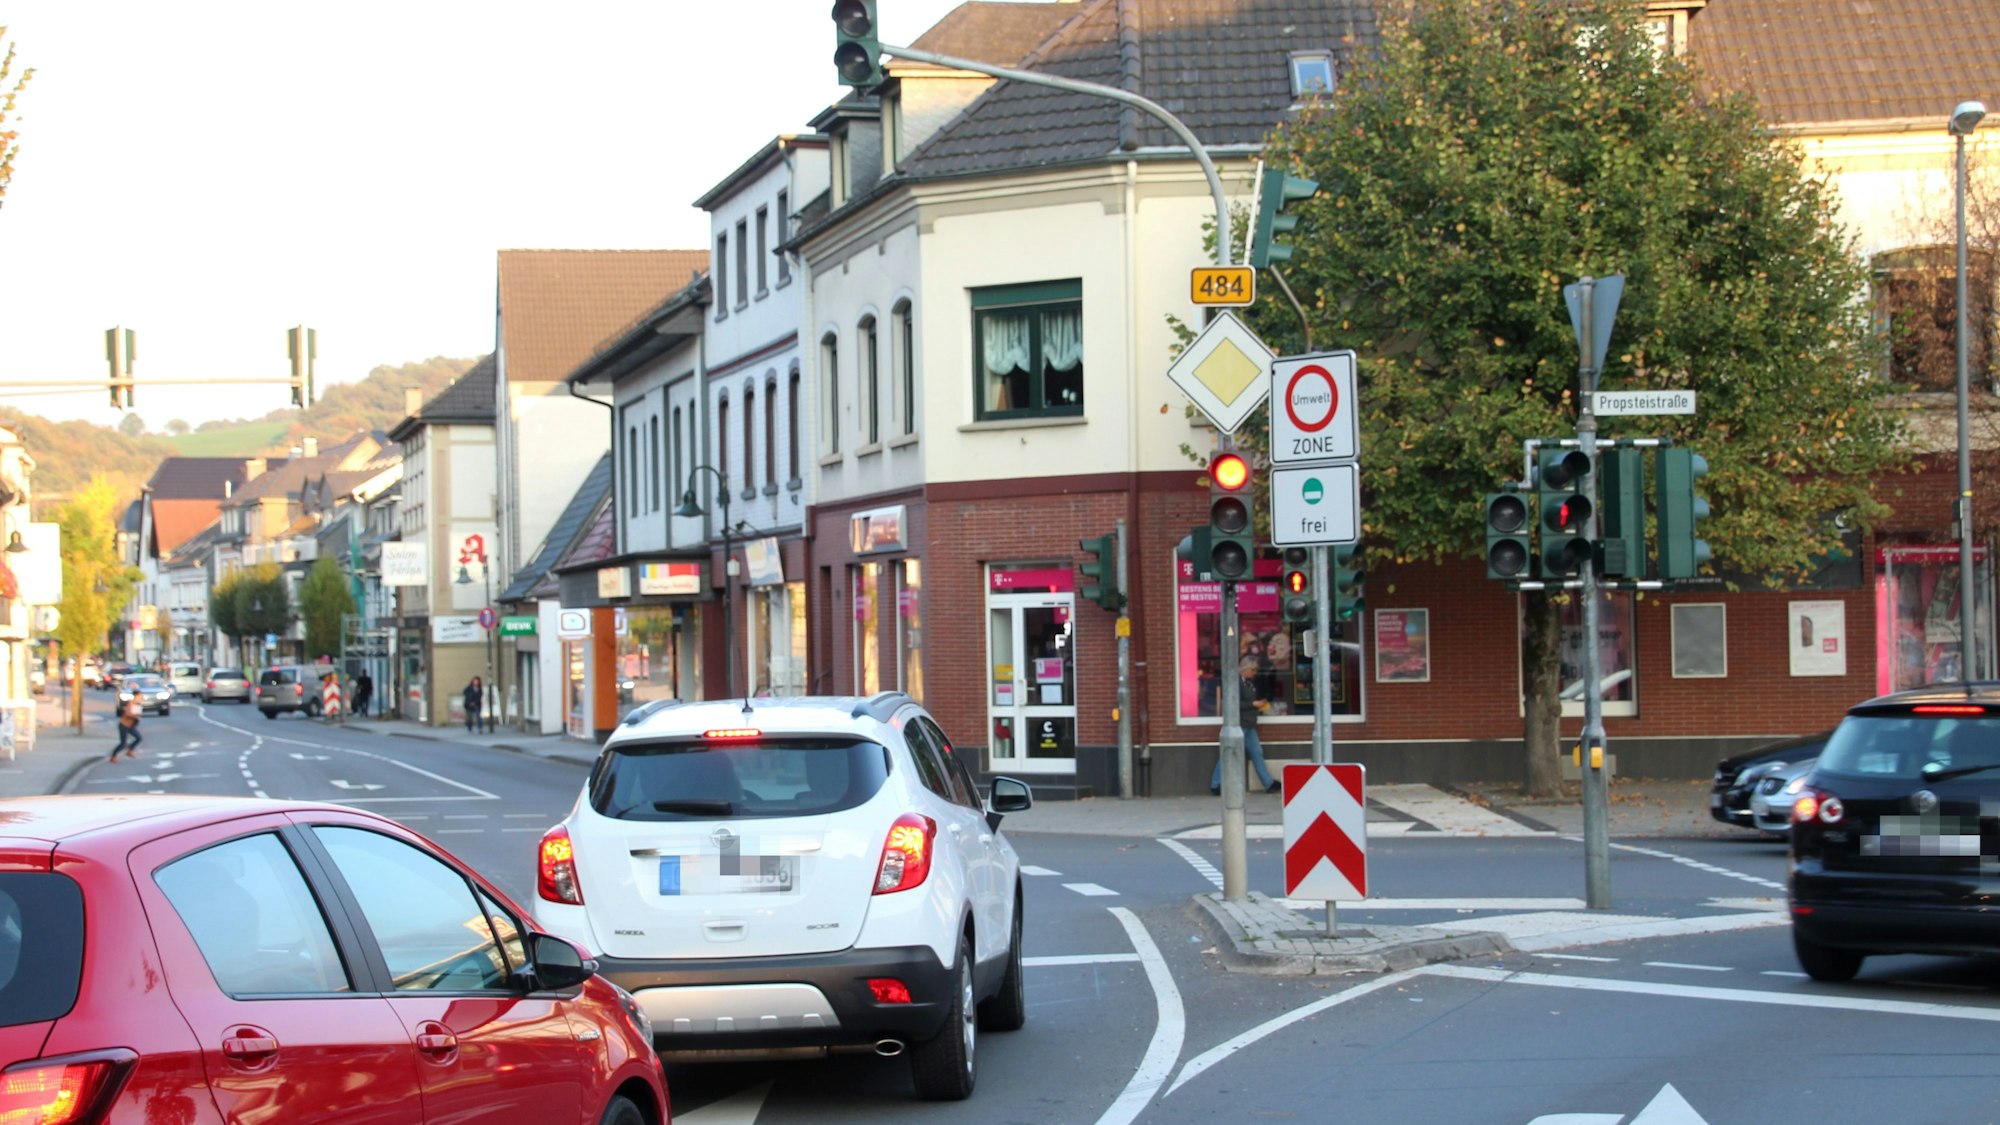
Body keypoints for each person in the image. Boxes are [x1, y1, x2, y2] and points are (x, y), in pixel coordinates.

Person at [1212, 656, 1278, 794]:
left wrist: (1259, 704)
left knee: (1256, 753)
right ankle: (1216, 784)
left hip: (1248, 725)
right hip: (1239, 725)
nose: (1255, 673)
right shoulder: (1236, 683)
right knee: (1228, 752)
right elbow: (1232, 703)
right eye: (1253, 670)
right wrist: (1253, 704)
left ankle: (1268, 783)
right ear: (1245, 668)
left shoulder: (1249, 683)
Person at [110, 694, 143, 761]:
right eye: (140, 697)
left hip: (131, 726)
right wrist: (135, 715)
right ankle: (113, 756)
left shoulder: (138, 705)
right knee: (123, 743)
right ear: (135, 696)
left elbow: (138, 716)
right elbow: (128, 714)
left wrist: (137, 717)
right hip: (123, 725)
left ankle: (130, 750)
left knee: (139, 738)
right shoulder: (131, 704)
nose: (141, 699)